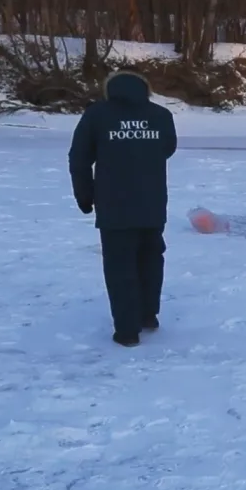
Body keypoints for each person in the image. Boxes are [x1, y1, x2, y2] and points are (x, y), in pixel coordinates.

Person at [68, 70, 178, 347]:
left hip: (114, 205)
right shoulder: (161, 115)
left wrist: (85, 197)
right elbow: (167, 148)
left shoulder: (96, 114)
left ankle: (127, 331)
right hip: (152, 202)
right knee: (151, 259)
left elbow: (79, 158)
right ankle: (147, 315)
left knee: (120, 265)